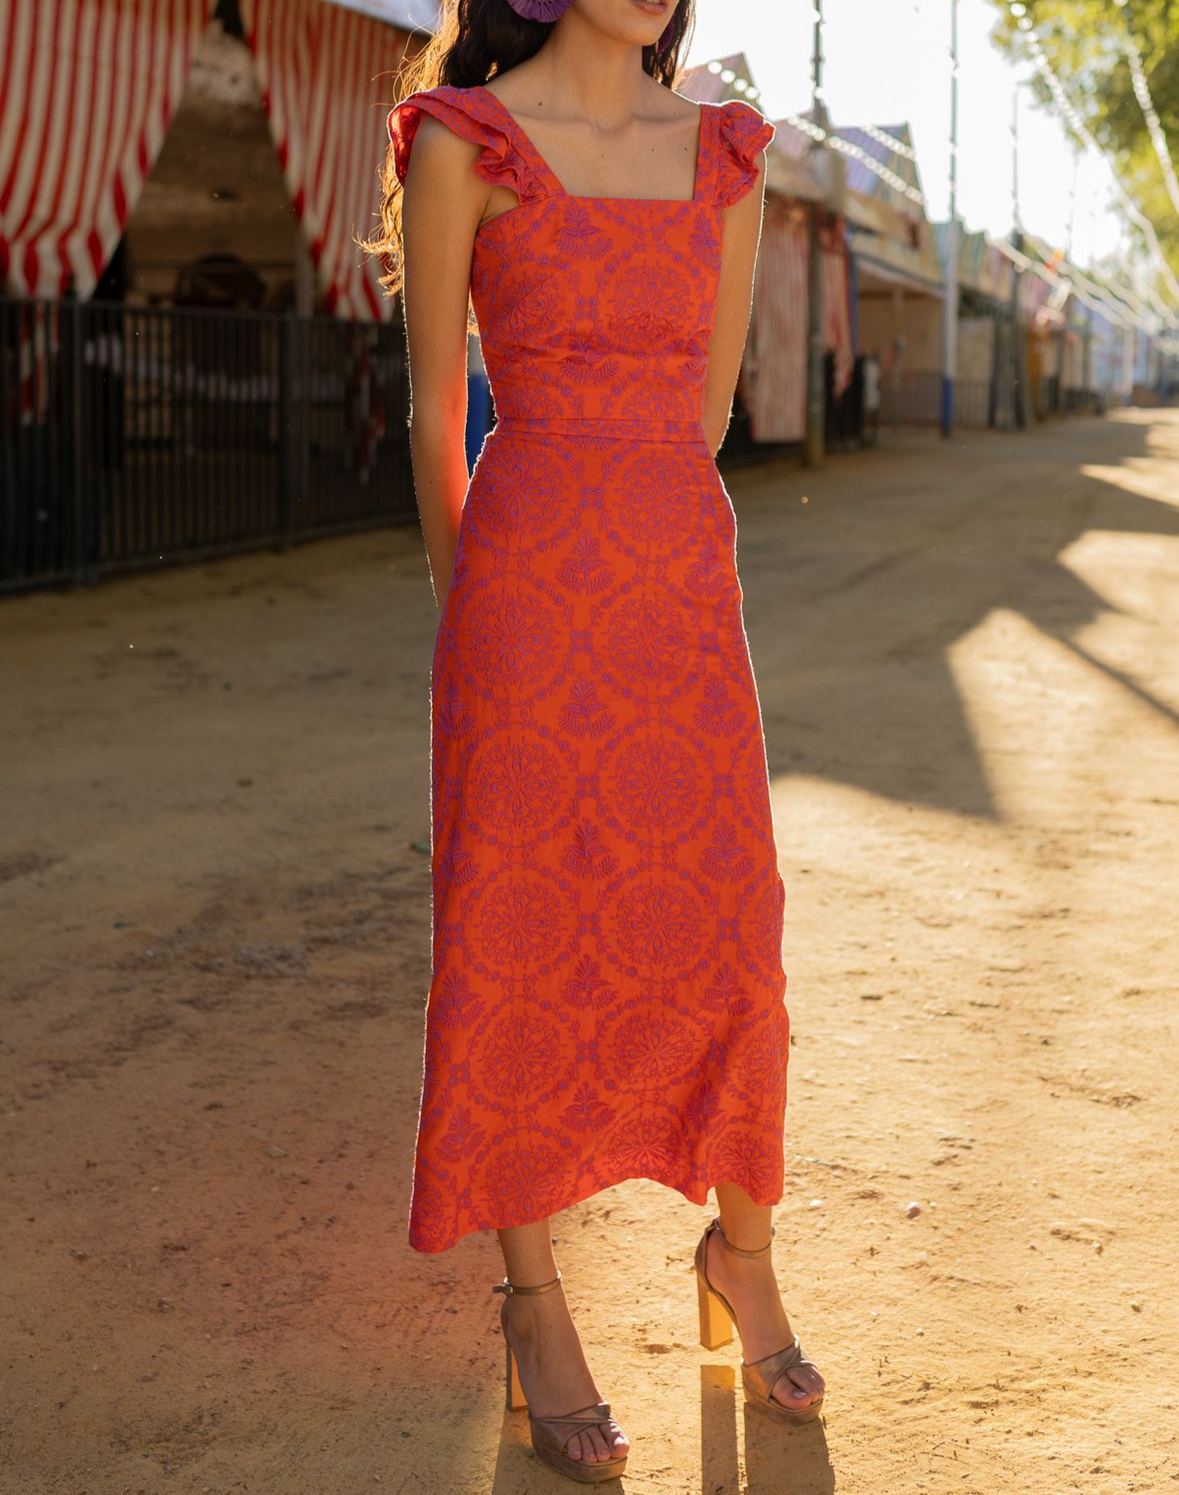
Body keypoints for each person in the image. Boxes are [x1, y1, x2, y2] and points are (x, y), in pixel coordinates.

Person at [368, 0, 825, 1480]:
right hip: (521, 598)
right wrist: (480, 619)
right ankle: (534, 1304)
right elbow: (434, 419)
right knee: (513, 933)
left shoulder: (730, 152)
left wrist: (633, 536)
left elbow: (703, 413)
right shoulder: (465, 143)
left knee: (729, 927)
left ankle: (740, 1254)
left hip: (677, 590)